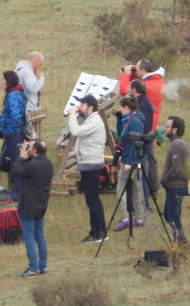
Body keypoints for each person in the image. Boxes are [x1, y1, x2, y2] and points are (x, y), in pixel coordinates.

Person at [67, 95, 108, 243]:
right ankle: (98, 231)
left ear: (90, 107)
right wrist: (77, 152)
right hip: (89, 162)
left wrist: (72, 116)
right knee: (92, 199)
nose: (80, 108)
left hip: (91, 165)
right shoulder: (91, 120)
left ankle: (98, 233)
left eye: (83, 105)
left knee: (93, 200)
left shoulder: (94, 121)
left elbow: (77, 132)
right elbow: (88, 140)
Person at [10, 140, 54, 277]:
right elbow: (30, 167)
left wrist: (21, 157)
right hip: (41, 204)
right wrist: (27, 156)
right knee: (39, 234)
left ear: (34, 151)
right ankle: (43, 265)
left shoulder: (32, 165)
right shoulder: (48, 163)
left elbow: (15, 171)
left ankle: (33, 267)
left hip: (29, 205)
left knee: (28, 236)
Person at [113, 96, 147, 232]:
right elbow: (121, 134)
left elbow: (136, 142)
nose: (120, 109)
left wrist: (130, 161)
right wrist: (118, 119)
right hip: (131, 158)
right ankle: (140, 217)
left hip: (131, 160)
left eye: (121, 107)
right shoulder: (129, 119)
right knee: (137, 189)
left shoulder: (135, 122)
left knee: (121, 188)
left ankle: (125, 218)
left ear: (127, 108)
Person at [127, 79, 159, 211]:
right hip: (144, 141)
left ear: (134, 89)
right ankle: (142, 203)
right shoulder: (144, 101)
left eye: (130, 87)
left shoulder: (143, 104)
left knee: (141, 175)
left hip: (142, 144)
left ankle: (144, 204)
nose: (128, 89)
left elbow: (142, 125)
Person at [0, 70, 28, 205]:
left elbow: (15, 116)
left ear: (9, 81)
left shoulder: (12, 96)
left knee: (16, 164)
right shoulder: (19, 93)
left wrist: (8, 130)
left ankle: (16, 196)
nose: (0, 82)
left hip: (14, 133)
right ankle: (19, 193)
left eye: (3, 80)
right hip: (16, 132)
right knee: (17, 162)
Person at [160, 116, 190, 243]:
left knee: (173, 216)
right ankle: (178, 237)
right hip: (173, 185)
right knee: (168, 215)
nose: (165, 128)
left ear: (175, 129)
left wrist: (164, 179)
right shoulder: (177, 143)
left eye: (167, 126)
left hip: (176, 186)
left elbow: (176, 169)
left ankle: (181, 240)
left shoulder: (177, 145)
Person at [119, 59, 164, 130]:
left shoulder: (149, 86)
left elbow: (124, 90)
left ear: (142, 70)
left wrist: (126, 74)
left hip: (143, 124)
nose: (135, 70)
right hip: (149, 120)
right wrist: (133, 73)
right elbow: (138, 81)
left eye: (136, 68)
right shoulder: (156, 80)